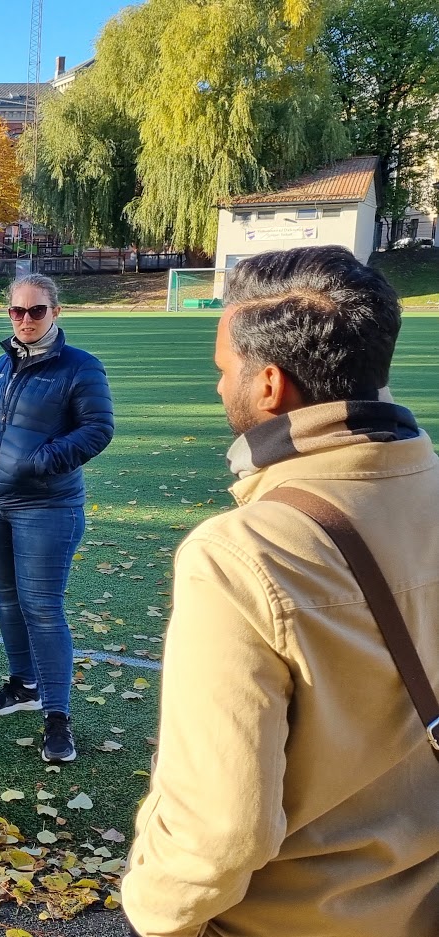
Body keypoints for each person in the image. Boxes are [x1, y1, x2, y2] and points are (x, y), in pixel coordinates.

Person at [124, 246, 439, 936]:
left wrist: (151, 911)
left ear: (269, 385)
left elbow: (219, 831)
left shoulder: (242, 555)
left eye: (222, 369)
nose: (218, 388)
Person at [0, 273, 113, 763]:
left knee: (43, 607)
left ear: (55, 311)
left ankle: (58, 716)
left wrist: (39, 462)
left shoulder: (80, 367)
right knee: (8, 598)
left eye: (37, 310)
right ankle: (23, 684)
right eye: (18, 311)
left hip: (47, 507)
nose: (27, 320)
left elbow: (98, 429)